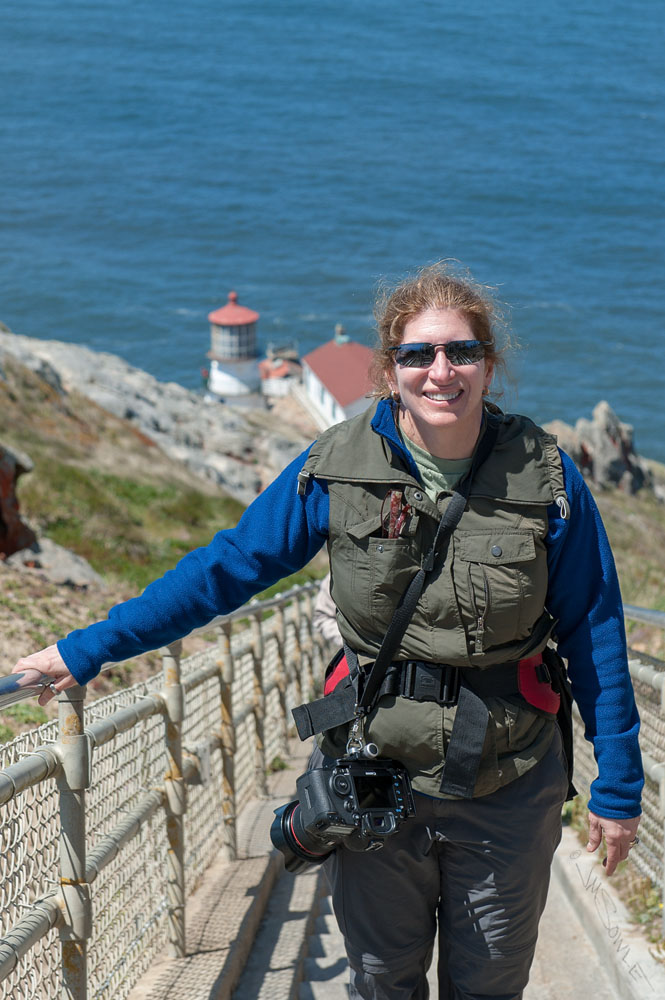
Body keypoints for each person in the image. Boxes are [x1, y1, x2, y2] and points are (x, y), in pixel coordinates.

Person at [13, 262, 642, 1000]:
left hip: (507, 782)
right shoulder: (334, 467)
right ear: (388, 369)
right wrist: (90, 648)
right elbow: (229, 567)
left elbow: (594, 626)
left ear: (488, 364)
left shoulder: (546, 477)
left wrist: (618, 788)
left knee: (490, 984)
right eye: (418, 354)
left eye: (461, 352)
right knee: (380, 979)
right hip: (375, 774)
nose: (441, 371)